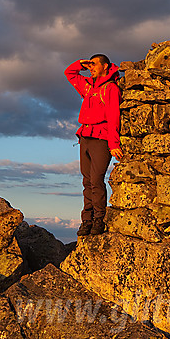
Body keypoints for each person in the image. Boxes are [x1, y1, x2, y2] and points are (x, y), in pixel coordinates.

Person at [65, 54, 123, 236]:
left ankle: (99, 219)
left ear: (106, 66)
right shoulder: (88, 86)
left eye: (94, 64)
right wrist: (80, 63)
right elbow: (69, 73)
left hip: (102, 138)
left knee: (96, 179)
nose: (91, 68)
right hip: (85, 136)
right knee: (87, 181)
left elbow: (114, 116)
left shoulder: (110, 88)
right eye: (89, 66)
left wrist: (114, 143)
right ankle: (87, 220)